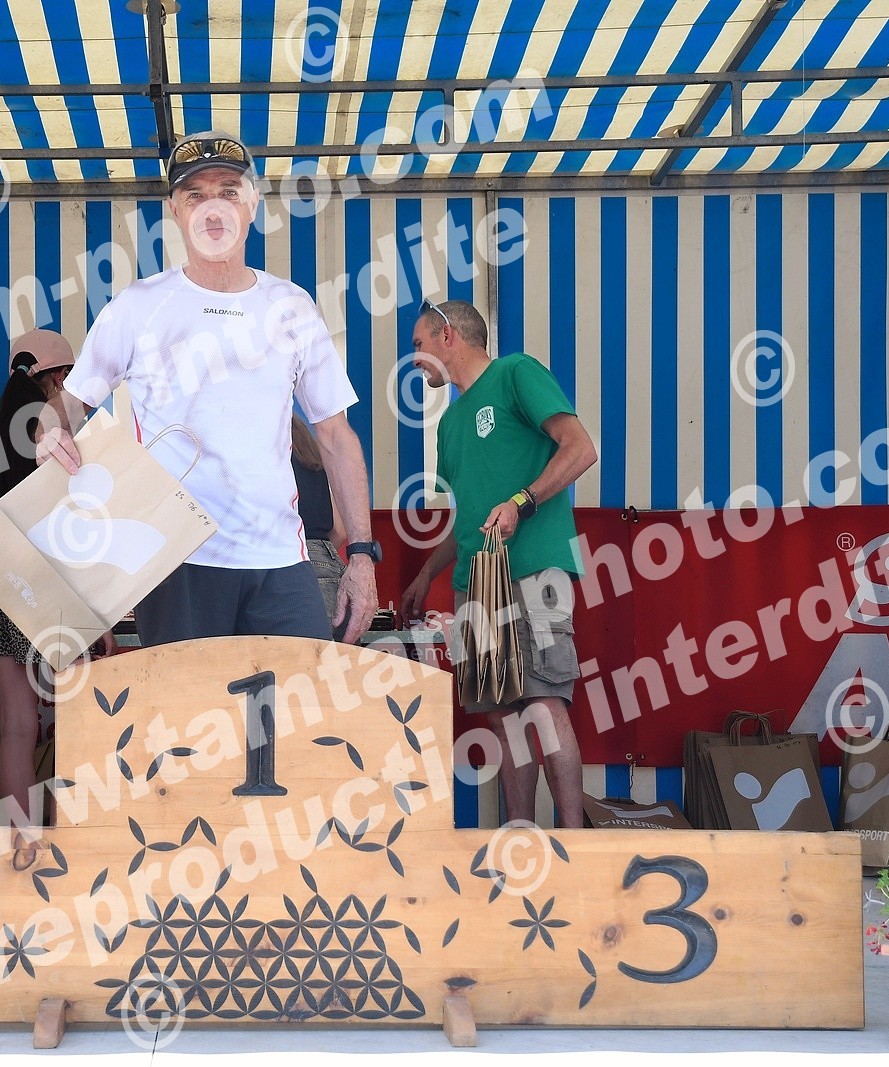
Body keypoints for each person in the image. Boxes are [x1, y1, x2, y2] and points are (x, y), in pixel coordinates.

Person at [37, 130, 380, 646]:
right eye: (195, 195)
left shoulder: (291, 307)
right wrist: (49, 433)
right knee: (186, 702)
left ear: (252, 204)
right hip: (175, 558)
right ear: (175, 210)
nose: (213, 208)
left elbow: (336, 435)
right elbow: (65, 406)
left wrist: (362, 556)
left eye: (228, 191)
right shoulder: (137, 306)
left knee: (297, 699)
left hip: (281, 559)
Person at [399, 300, 597, 829]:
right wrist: (426, 574)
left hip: (535, 569)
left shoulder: (516, 373)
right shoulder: (449, 423)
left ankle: (574, 842)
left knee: (544, 703)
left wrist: (522, 501)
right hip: (474, 585)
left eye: (418, 345)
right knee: (502, 716)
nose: (413, 359)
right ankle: (520, 838)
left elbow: (581, 448)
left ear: (447, 336)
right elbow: (468, 517)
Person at [0, 328, 110, 825]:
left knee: (17, 727)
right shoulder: (68, 439)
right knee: (79, 719)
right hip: (62, 588)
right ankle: (74, 839)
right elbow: (85, 525)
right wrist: (100, 614)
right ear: (60, 377)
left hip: (4, 587)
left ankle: (20, 842)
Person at [291, 413, 347, 631]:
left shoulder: (270, 461)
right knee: (328, 650)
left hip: (287, 560)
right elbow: (339, 531)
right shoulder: (317, 464)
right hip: (327, 561)